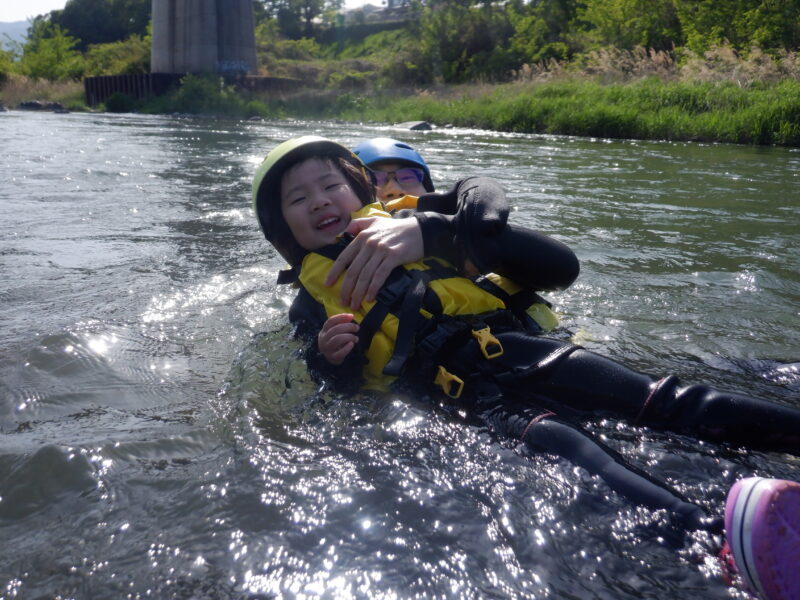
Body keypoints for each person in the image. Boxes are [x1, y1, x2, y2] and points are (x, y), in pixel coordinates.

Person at [251, 135, 800, 600]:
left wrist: (440, 230)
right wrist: (329, 358)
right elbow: (335, 388)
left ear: (358, 191)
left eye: (330, 187)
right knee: (572, 449)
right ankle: (720, 542)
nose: (319, 201)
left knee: (666, 400)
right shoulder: (308, 302)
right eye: (298, 199)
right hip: (467, 401)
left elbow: (487, 199)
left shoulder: (412, 222)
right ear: (283, 230)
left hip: (521, 349)